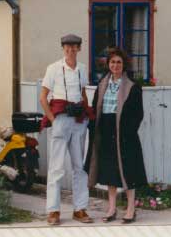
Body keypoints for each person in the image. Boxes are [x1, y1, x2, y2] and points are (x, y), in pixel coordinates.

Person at [85, 47, 148, 224]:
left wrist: (128, 131)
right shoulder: (102, 84)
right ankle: (111, 208)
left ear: (124, 64)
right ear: (108, 64)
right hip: (105, 129)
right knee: (109, 171)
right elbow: (95, 107)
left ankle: (130, 209)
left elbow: (138, 114)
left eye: (119, 62)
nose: (115, 65)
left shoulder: (133, 87)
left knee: (128, 170)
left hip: (125, 133)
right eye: (112, 62)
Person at [40, 34, 95, 226]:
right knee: (56, 167)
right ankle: (53, 211)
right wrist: (54, 119)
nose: (71, 50)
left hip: (78, 121)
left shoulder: (82, 69)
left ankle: (79, 209)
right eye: (67, 47)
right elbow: (43, 97)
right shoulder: (53, 68)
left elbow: (82, 93)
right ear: (63, 48)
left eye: (74, 47)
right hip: (61, 120)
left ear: (79, 48)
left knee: (79, 167)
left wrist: (86, 115)